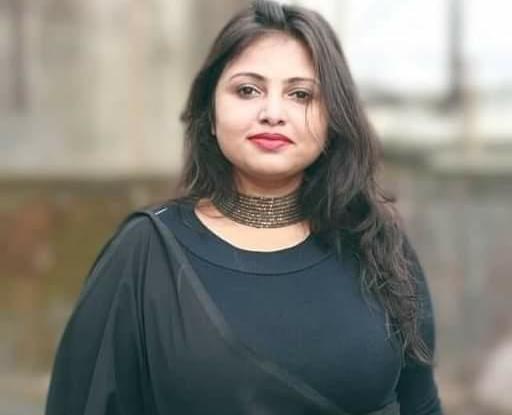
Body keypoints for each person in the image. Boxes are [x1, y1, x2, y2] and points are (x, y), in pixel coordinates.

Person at [45, 1, 442, 414]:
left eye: (301, 94)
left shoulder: (375, 242)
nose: (272, 114)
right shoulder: (146, 253)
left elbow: (420, 402)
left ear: (333, 117)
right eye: (247, 90)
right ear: (210, 112)